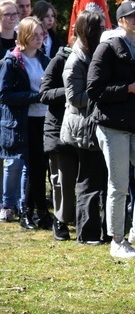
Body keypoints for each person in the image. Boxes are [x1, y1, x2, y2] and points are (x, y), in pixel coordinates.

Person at [87, 0, 135, 259]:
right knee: (119, 184)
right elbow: (94, 90)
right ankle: (117, 240)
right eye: (131, 16)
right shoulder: (107, 48)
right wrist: (128, 89)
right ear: (120, 21)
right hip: (113, 126)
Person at [61, 11, 109, 244]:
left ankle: (106, 231)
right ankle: (87, 233)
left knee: (103, 181)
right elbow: (75, 98)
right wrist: (102, 91)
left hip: (97, 123)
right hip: (84, 127)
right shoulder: (76, 60)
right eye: (98, 27)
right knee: (89, 182)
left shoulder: (93, 53)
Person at [0, 17, 51, 230]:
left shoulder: (44, 59)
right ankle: (27, 212)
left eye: (42, 34)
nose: (40, 39)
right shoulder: (11, 61)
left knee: (41, 167)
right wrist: (34, 96)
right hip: (23, 120)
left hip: (44, 119)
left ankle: (41, 212)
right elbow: (4, 94)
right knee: (29, 167)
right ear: (25, 36)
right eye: (35, 35)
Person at [39, 28, 76, 240]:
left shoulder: (97, 59)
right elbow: (44, 93)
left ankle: (81, 218)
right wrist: (71, 91)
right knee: (62, 178)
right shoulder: (59, 59)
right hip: (59, 129)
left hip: (85, 129)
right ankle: (61, 220)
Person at [0, 0, 24, 223]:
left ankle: (12, 202)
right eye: (7, 14)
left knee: (12, 156)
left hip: (13, 106)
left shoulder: (20, 41)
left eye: (15, 13)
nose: (12, 17)